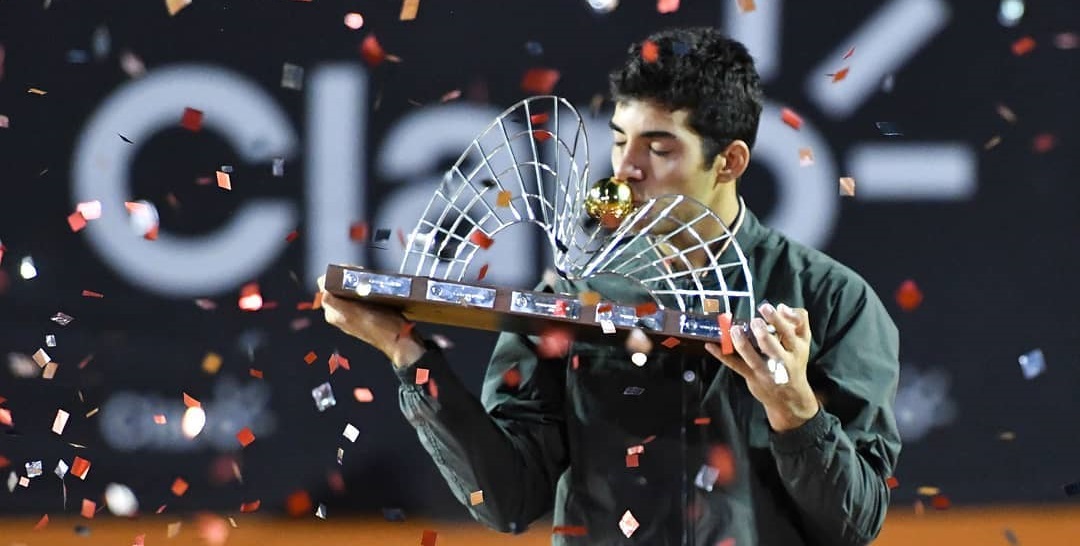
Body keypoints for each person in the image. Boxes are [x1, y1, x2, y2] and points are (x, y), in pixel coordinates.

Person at [318, 27, 901, 546]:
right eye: (621, 139)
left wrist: (795, 410)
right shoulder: (572, 292)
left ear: (730, 162)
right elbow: (507, 501)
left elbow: (854, 525)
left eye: (660, 148)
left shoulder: (832, 303)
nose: (625, 170)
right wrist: (407, 354)